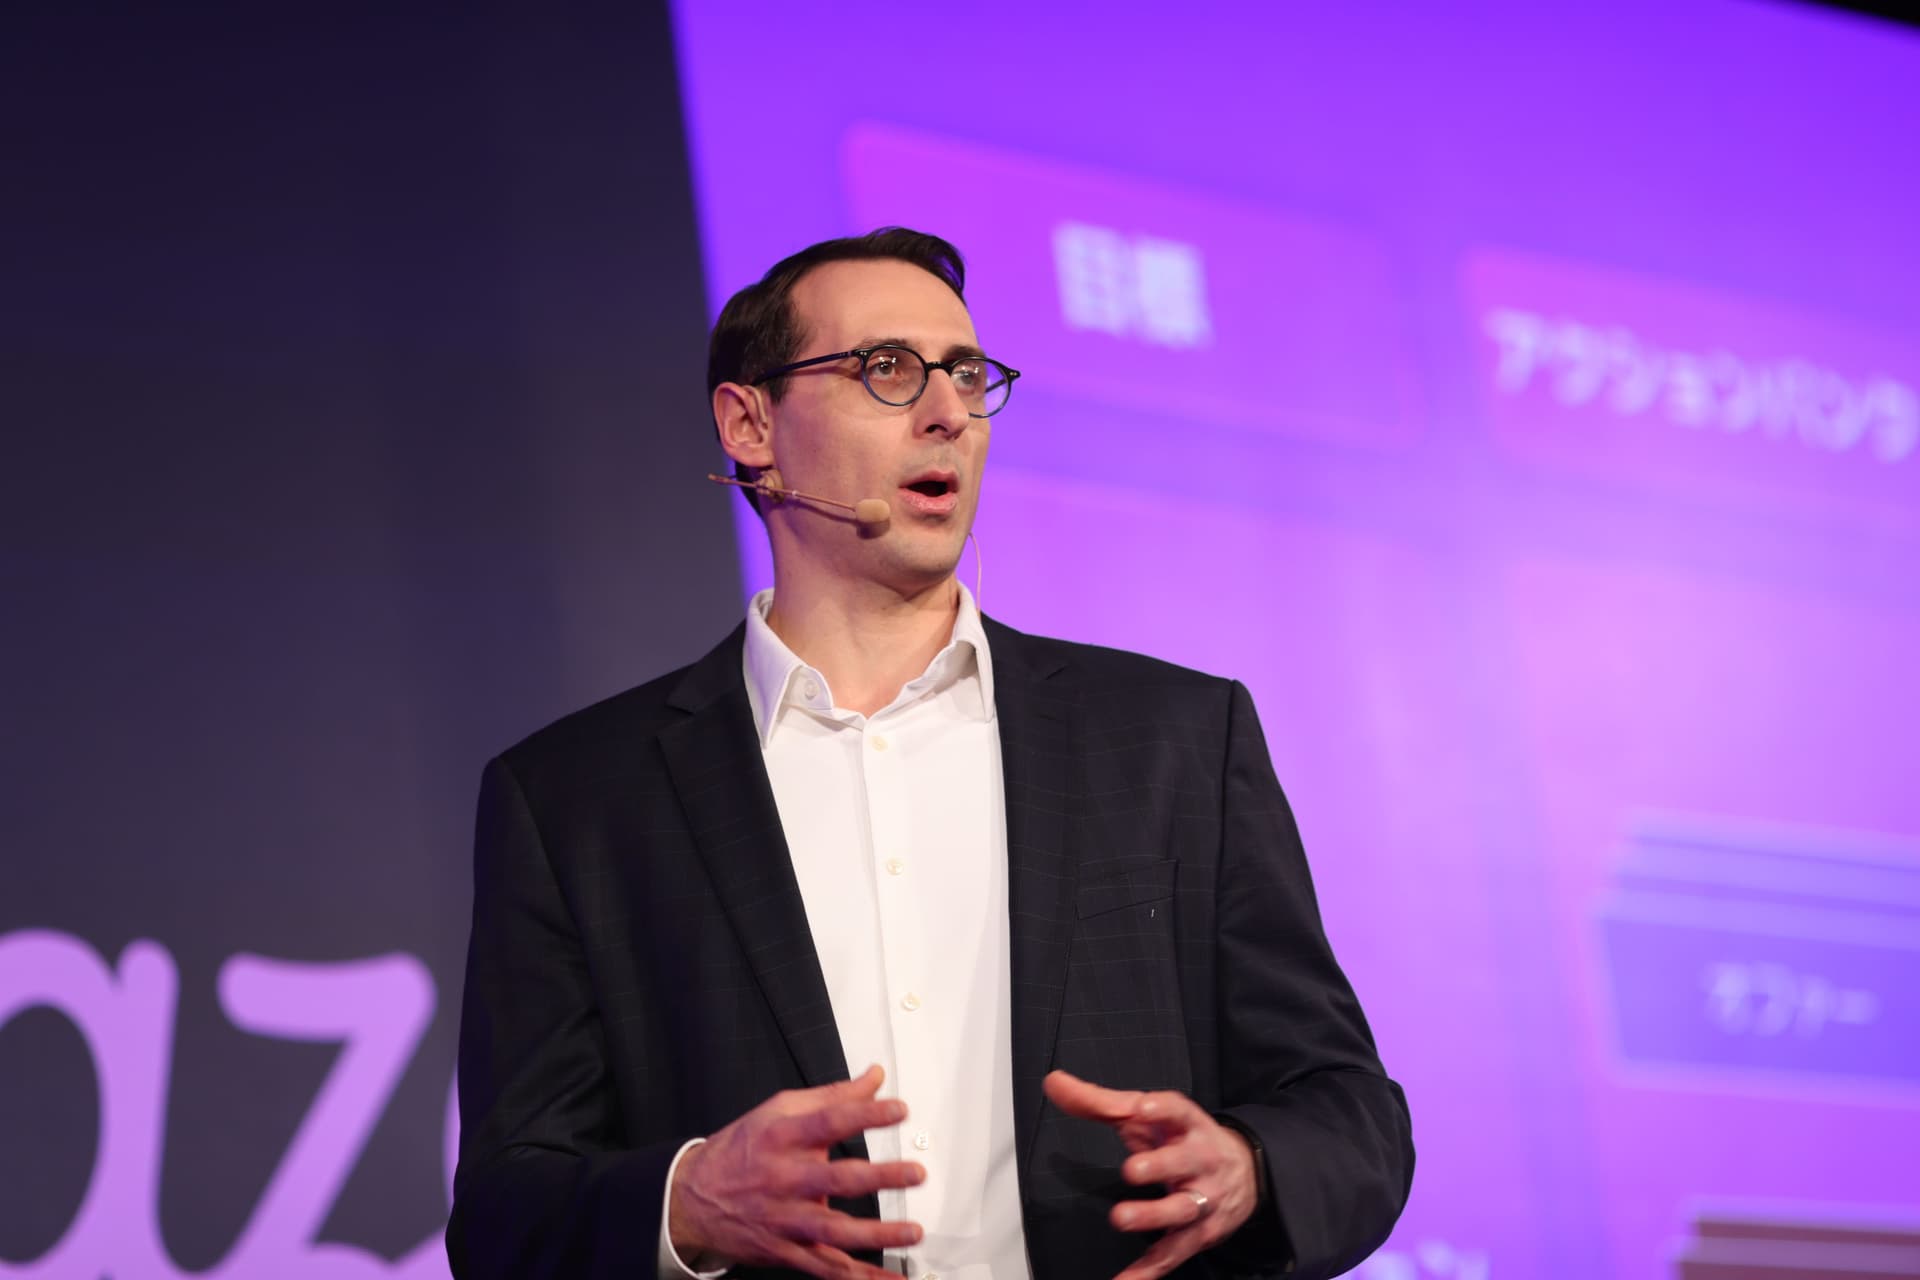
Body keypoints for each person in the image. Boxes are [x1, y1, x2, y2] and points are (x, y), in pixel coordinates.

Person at [448, 228, 1412, 1280]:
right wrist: (692, 1200)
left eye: (965, 374)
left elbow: (1350, 1110)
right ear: (750, 423)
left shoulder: (1174, 739)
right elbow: (506, 1213)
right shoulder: (579, 800)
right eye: (887, 370)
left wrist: (1249, 1164)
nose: (949, 411)